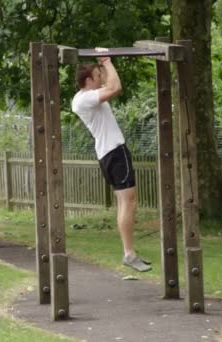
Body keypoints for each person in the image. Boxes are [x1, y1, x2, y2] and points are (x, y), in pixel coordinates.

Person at [71, 48, 151, 272]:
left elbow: (110, 82)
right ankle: (129, 253)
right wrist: (106, 60)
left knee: (124, 202)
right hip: (114, 153)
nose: (101, 79)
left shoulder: (84, 98)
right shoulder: (86, 99)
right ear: (88, 80)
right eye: (97, 76)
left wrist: (104, 65)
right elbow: (116, 87)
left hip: (109, 153)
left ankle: (129, 252)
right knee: (129, 202)